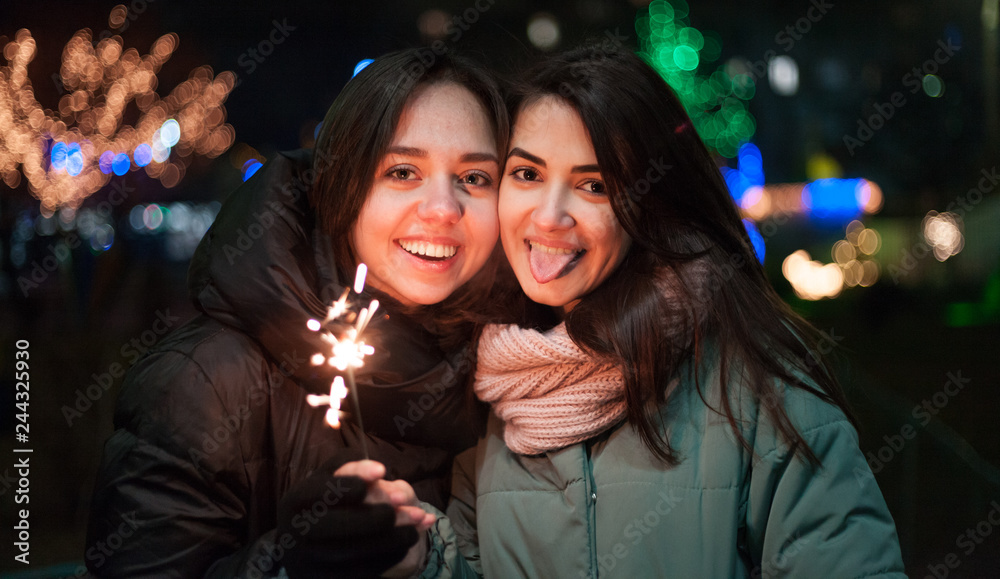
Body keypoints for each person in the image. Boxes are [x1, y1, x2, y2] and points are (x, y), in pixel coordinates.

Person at [344, 44, 908, 578]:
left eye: (594, 185)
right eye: (527, 174)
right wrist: (419, 557)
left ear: (650, 203)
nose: (549, 216)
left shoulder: (754, 381)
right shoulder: (494, 385)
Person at [85, 48, 508, 578]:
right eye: (402, 171)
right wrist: (292, 565)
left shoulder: (510, 375)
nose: (444, 208)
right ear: (341, 184)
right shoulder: (209, 380)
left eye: (474, 178)